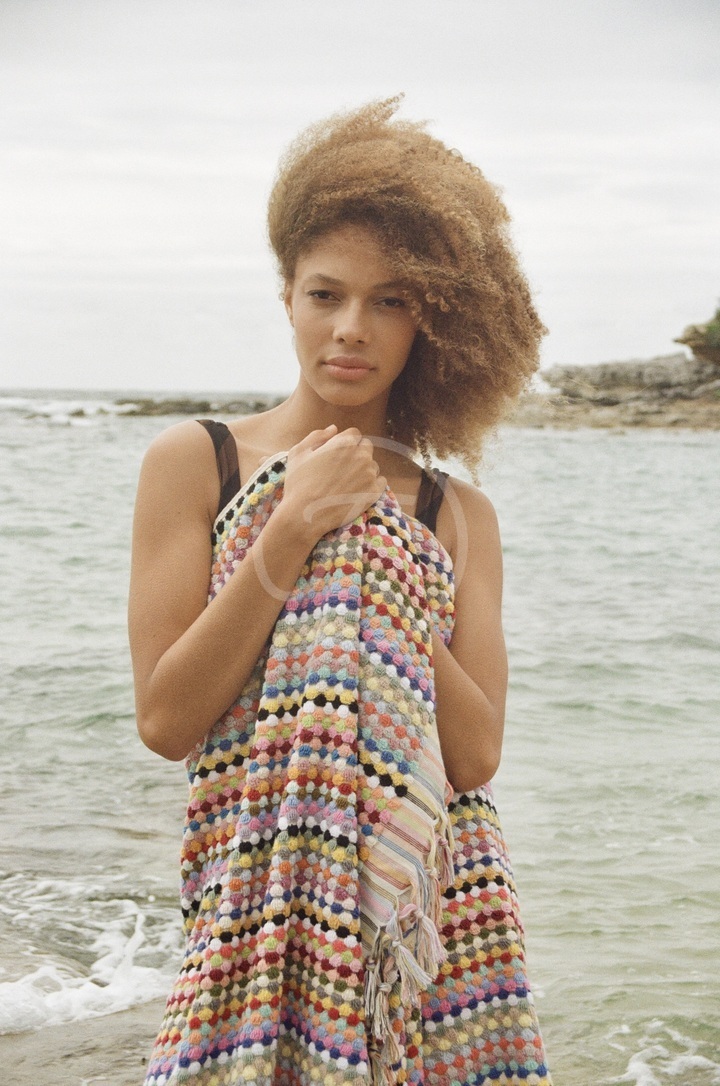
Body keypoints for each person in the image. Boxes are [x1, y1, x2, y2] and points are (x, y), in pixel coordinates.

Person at [129, 96, 551, 1086]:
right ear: (287, 295)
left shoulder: (456, 514)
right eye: (327, 294)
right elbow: (167, 718)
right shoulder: (198, 462)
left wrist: (381, 570)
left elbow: (476, 756)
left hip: (430, 926)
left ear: (429, 316)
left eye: (390, 301)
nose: (352, 329)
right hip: (254, 900)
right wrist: (295, 527)